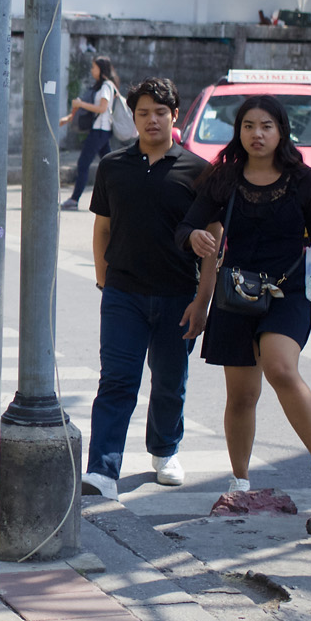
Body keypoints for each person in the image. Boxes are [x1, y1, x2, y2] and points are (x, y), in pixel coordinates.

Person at [177, 94, 311, 495]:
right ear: (239, 132)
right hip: (237, 292)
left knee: (280, 367)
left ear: (281, 131)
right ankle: (239, 480)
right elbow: (185, 228)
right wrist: (196, 238)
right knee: (242, 394)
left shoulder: (303, 180)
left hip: (288, 290)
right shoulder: (225, 178)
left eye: (266, 126)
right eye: (249, 126)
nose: (257, 134)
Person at [80, 77, 211, 501]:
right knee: (117, 380)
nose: (151, 120)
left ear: (175, 115)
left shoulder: (197, 171)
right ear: (132, 117)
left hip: (177, 294)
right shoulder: (114, 166)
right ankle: (102, 468)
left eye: (160, 112)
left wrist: (202, 300)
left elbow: (213, 240)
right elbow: (102, 228)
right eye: (142, 113)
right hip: (123, 294)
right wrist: (104, 279)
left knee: (170, 381)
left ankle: (165, 451)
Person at [58, 56, 122, 210]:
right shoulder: (100, 86)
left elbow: (102, 108)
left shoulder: (106, 86)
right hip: (100, 131)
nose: (92, 70)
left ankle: (74, 199)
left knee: (83, 164)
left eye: (94, 67)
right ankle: (121, 194)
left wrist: (81, 104)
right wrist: (69, 118)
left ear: (101, 69)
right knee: (110, 165)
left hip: (100, 131)